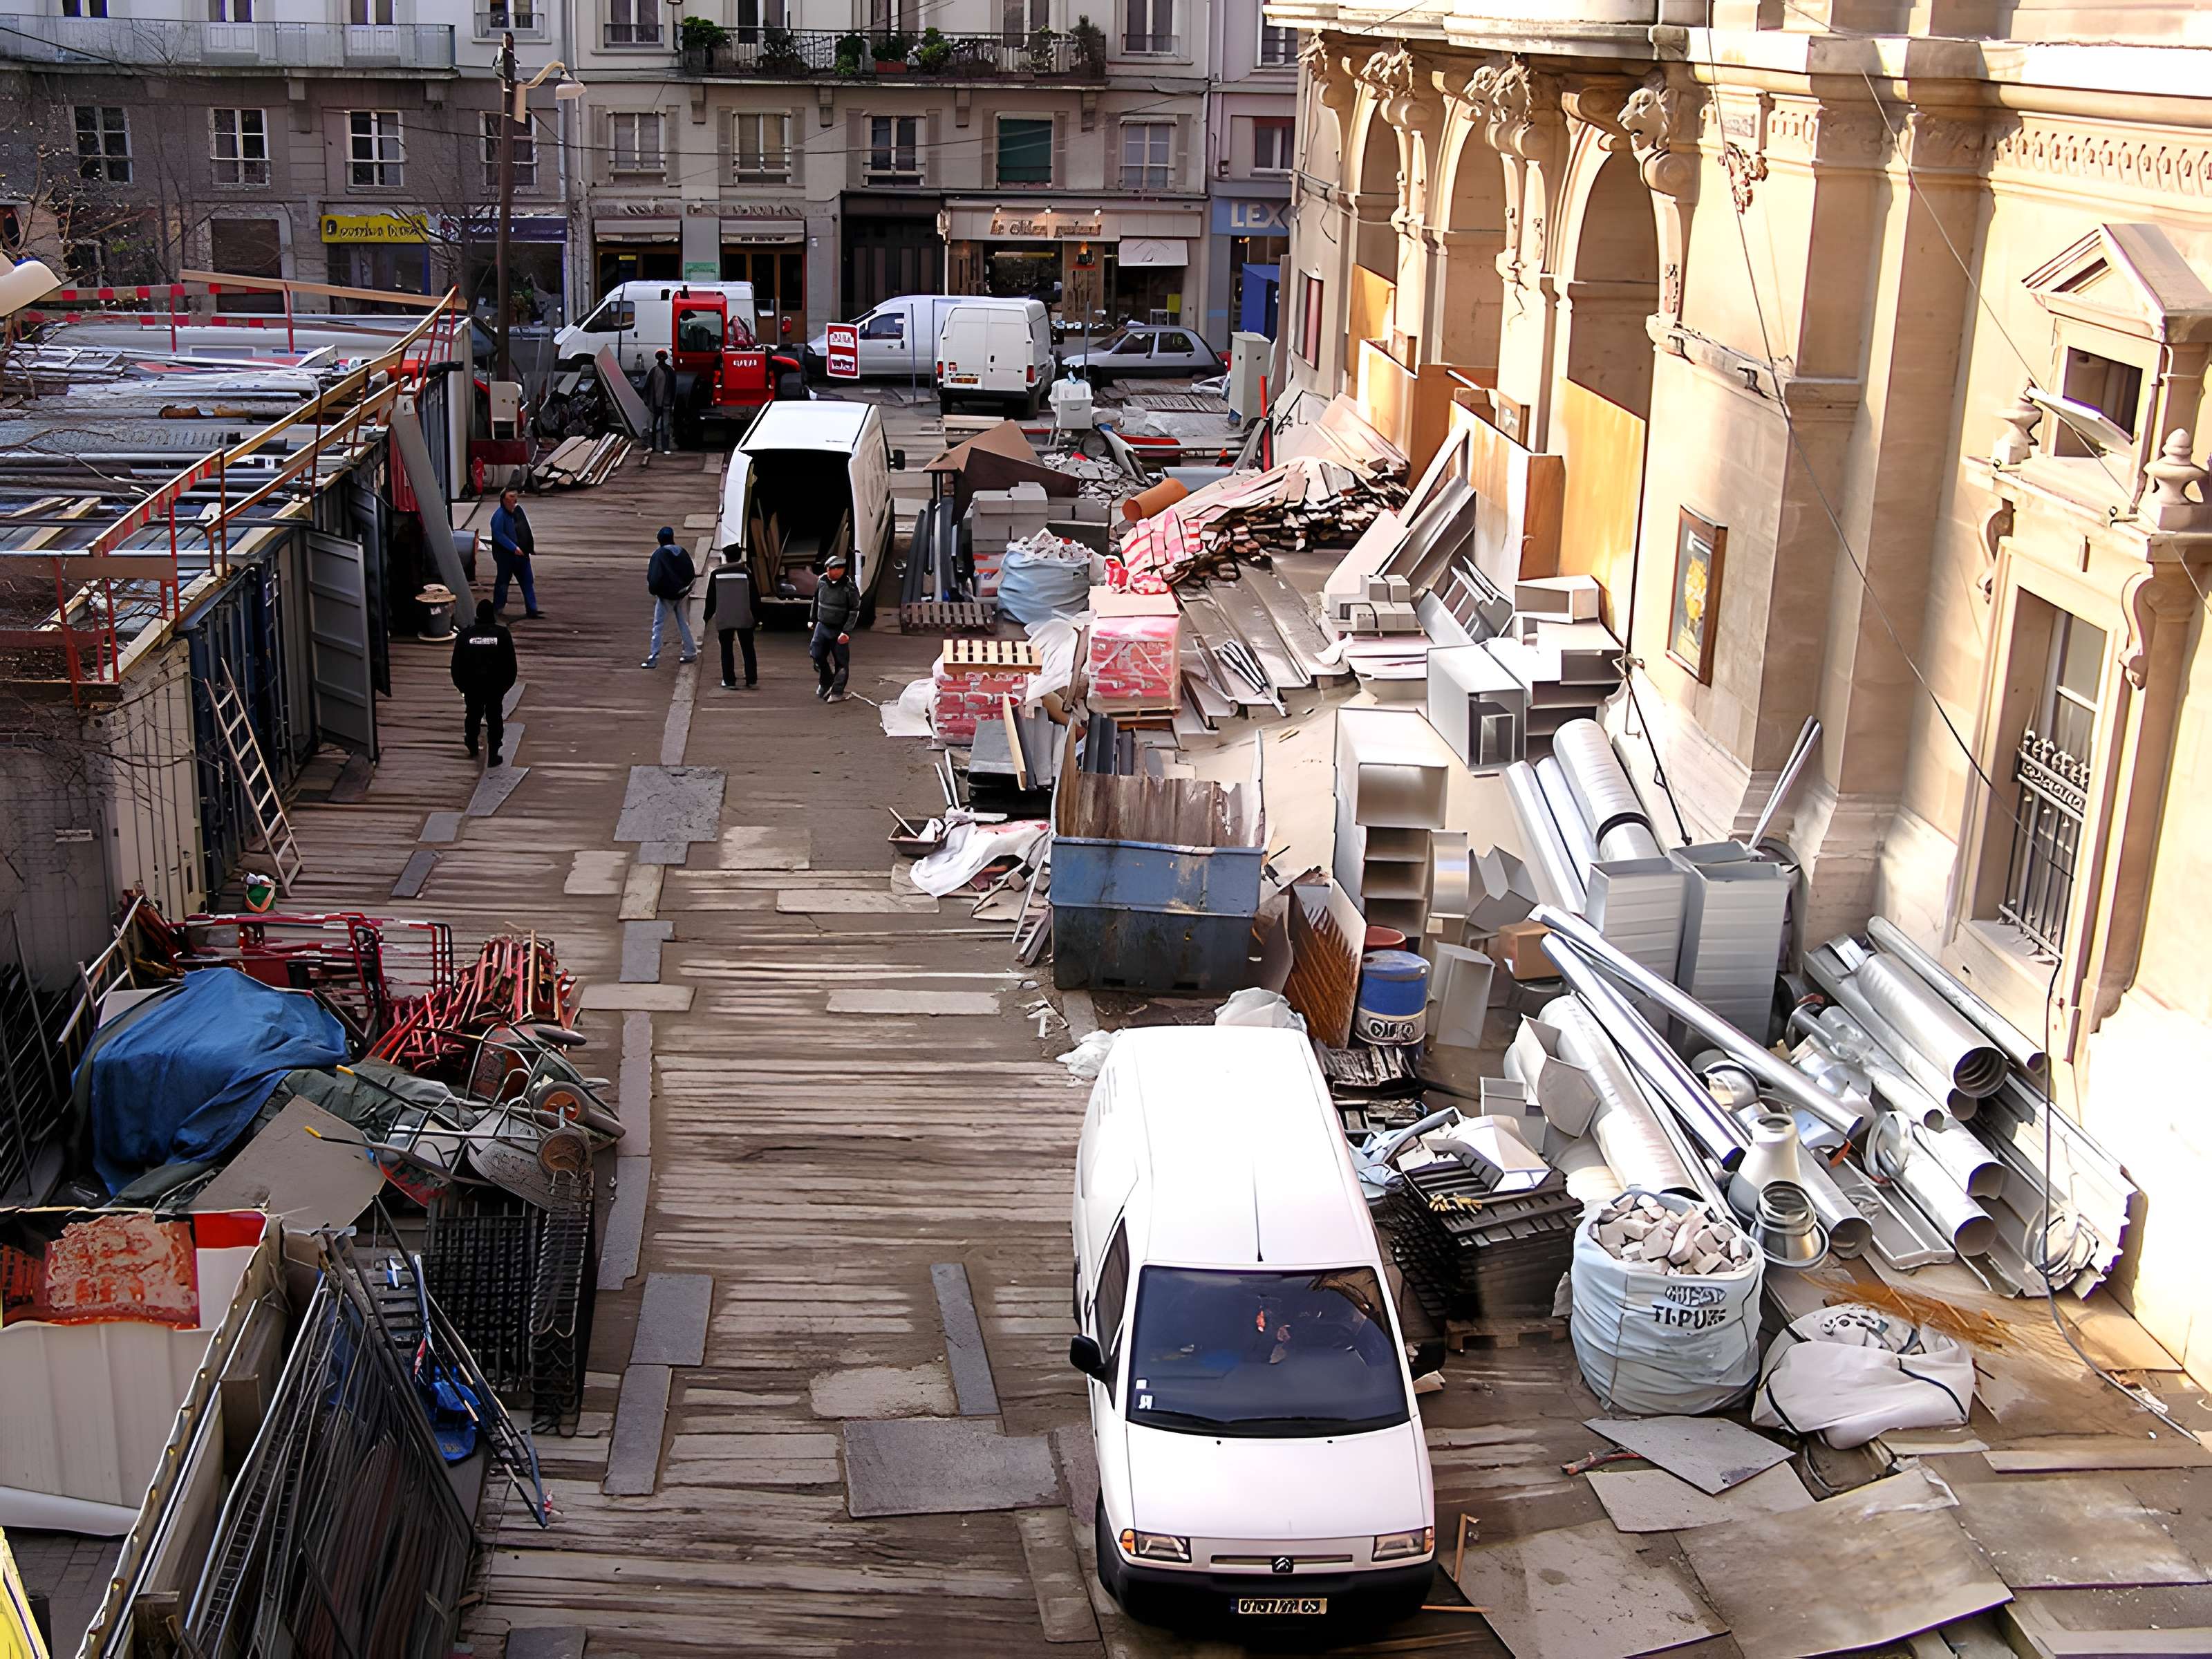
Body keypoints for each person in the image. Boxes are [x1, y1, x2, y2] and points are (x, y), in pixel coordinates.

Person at [449, 598, 518, 766]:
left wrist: (462, 687)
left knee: (473, 715)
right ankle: (494, 752)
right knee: (495, 718)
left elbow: (456, 665)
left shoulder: (465, 635)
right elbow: (511, 665)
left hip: (472, 686)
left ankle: (472, 743)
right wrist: (504, 687)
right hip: (495, 686)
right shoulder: (502, 635)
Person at [642, 526, 697, 669]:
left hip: (666, 596)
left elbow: (654, 577)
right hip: (682, 593)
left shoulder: (659, 554)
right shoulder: (682, 552)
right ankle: (690, 651)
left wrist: (655, 591)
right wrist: (686, 589)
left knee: (658, 625)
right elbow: (691, 573)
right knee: (683, 622)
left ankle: (653, 657)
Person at [809, 550, 861, 701]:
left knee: (841, 661)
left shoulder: (849, 587)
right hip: (822, 625)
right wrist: (812, 618)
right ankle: (826, 681)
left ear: (840, 570)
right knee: (816, 654)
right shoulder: (822, 581)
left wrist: (847, 631)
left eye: (833, 569)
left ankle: (837, 691)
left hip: (839, 629)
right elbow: (816, 600)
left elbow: (854, 610)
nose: (829, 572)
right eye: (828, 569)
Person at [702, 548, 757, 690]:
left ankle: (729, 680)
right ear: (740, 557)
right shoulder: (746, 574)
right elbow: (754, 597)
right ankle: (751, 678)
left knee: (726, 649)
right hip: (744, 616)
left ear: (726, 557)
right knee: (748, 648)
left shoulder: (716, 574)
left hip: (725, 617)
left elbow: (711, 599)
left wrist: (706, 617)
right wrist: (757, 617)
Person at [488, 487, 542, 619]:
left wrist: (528, 548)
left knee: (527, 581)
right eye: (510, 499)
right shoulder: (499, 515)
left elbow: (525, 529)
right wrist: (513, 548)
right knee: (503, 582)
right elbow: (498, 534)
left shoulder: (518, 511)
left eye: (515, 498)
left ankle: (532, 609)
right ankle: (497, 609)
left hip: (522, 555)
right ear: (503, 500)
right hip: (506, 557)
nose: (513, 502)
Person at [643, 348, 677, 461]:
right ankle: (653, 446)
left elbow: (673, 389)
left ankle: (663, 447)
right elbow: (647, 387)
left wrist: (671, 402)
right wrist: (647, 400)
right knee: (654, 426)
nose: (661, 360)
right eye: (660, 357)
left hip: (664, 403)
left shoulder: (667, 371)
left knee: (664, 426)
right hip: (656, 403)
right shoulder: (657, 371)